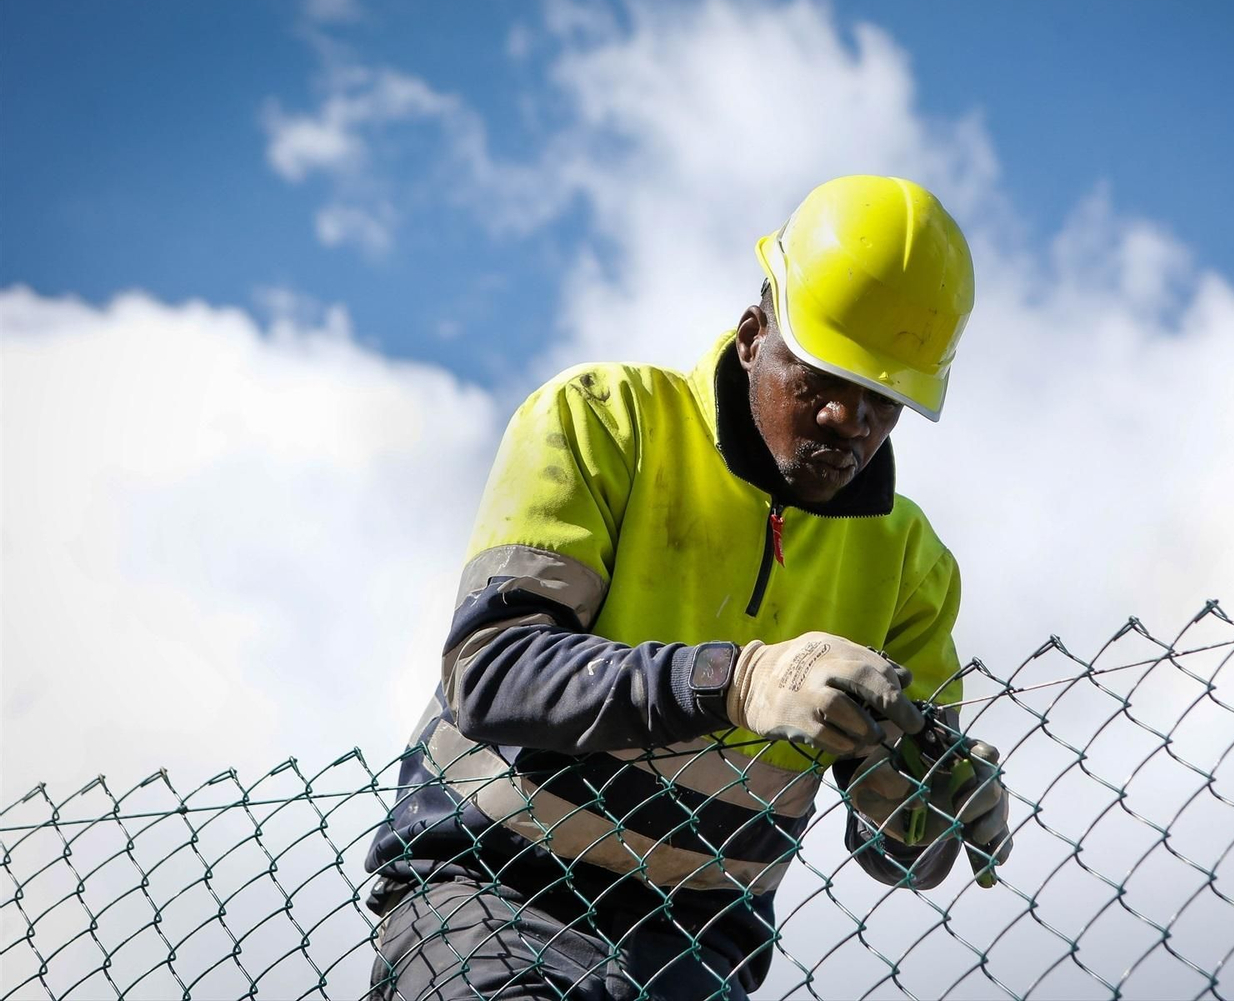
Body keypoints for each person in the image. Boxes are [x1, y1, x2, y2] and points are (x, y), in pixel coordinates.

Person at [365, 175, 1014, 1001]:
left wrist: (930, 807)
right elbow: (490, 670)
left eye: (882, 400)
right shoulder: (605, 422)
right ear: (753, 335)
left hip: (699, 942)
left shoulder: (909, 561)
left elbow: (896, 852)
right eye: (824, 378)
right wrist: (739, 681)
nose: (848, 422)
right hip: (493, 886)